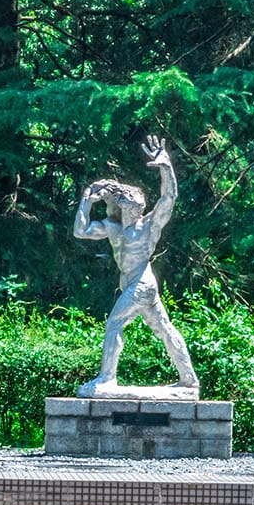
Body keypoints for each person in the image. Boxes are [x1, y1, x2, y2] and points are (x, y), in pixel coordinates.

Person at [72, 136, 200, 396]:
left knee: (114, 324)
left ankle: (107, 379)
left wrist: (166, 167)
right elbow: (80, 231)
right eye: (127, 203)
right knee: (164, 329)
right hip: (131, 282)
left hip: (143, 284)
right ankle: (189, 379)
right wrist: (86, 201)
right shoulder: (113, 228)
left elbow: (169, 198)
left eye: (134, 204)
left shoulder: (148, 226)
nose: (132, 207)